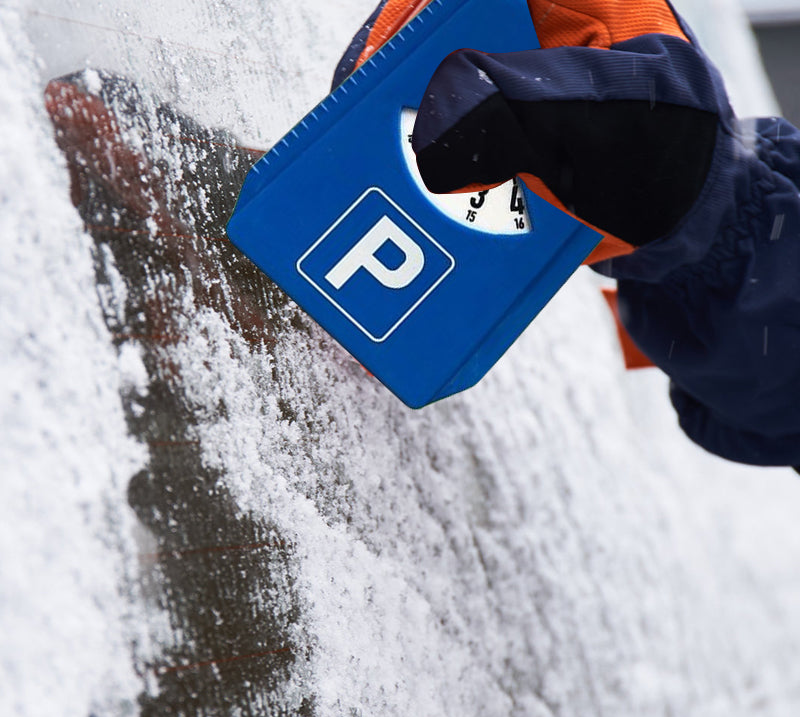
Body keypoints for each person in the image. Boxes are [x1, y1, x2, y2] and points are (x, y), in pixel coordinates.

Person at [335, 0, 800, 470]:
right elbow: (700, 419)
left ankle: (418, 119)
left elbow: (700, 418)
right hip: (673, 194)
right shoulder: (767, 428)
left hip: (670, 200)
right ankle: (431, 119)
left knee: (479, 118)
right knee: (488, 117)